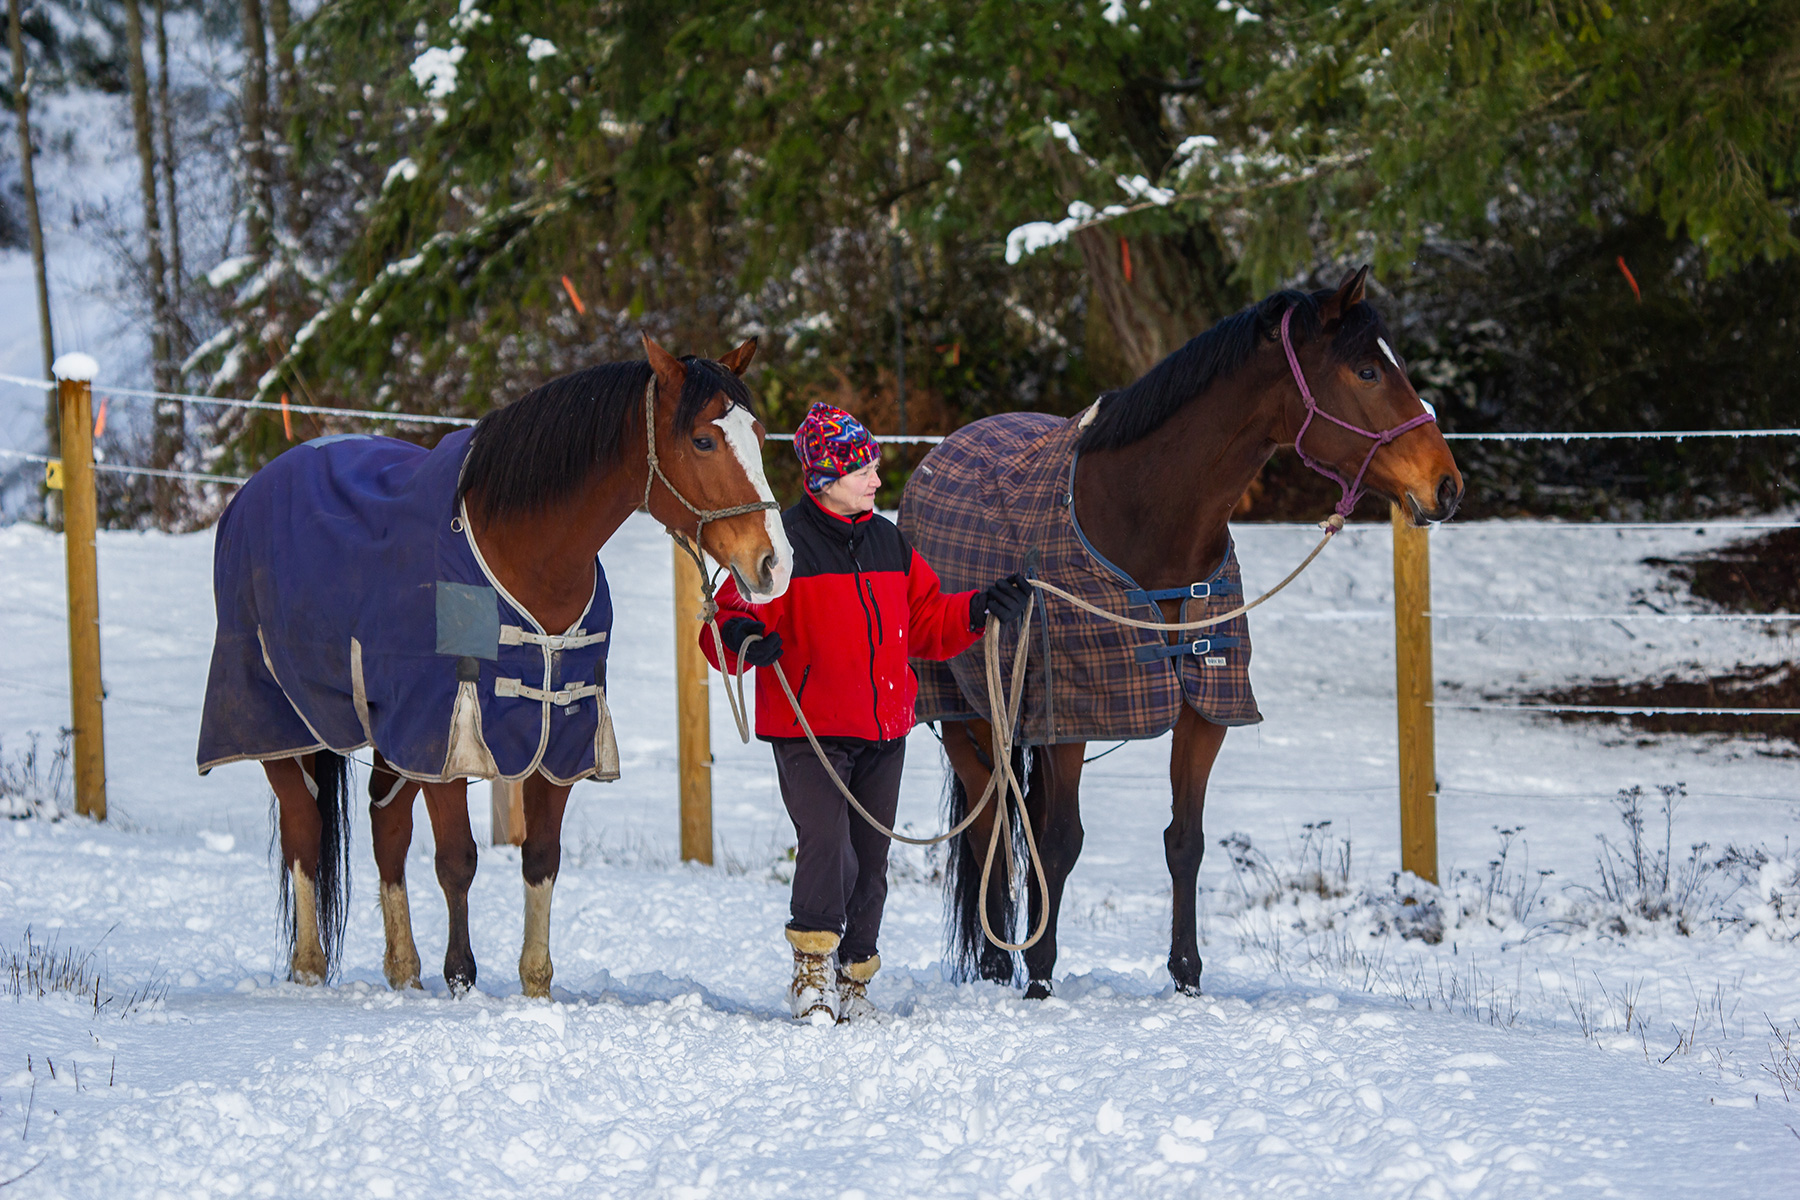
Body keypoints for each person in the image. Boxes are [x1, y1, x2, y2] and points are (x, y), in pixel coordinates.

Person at [700, 402, 1030, 1024]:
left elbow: (929, 623)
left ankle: (855, 980)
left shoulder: (889, 542)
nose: (878, 480)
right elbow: (724, 619)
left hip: (883, 730)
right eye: (863, 471)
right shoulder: (783, 544)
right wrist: (745, 639)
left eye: (875, 467)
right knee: (829, 847)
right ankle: (811, 972)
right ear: (824, 479)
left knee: (871, 861)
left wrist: (983, 607)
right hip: (810, 732)